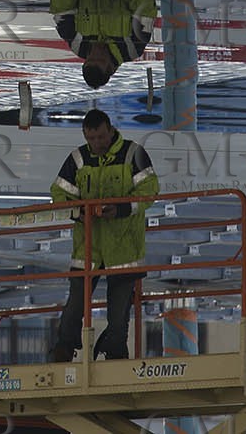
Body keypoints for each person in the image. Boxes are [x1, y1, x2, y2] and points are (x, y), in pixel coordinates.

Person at [49, 109, 159, 363]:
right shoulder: (78, 158)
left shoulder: (134, 154)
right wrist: (79, 213)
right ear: (85, 136)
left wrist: (119, 209)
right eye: (91, 139)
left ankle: (116, 356)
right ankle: (64, 351)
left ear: (110, 130)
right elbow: (59, 192)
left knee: (118, 314)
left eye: (100, 137)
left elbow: (150, 191)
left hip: (124, 251)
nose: (96, 143)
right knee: (74, 306)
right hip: (87, 248)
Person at [49, 0, 158, 90]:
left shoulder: (77, 44)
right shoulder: (133, 47)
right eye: (101, 58)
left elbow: (60, 7)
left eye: (90, 58)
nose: (96, 52)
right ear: (111, 68)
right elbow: (146, 4)